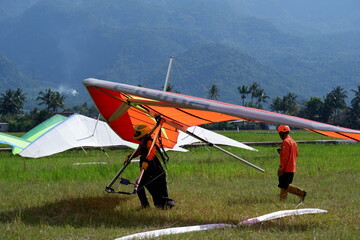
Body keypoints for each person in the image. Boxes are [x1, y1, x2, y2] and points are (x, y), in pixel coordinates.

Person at [126, 123, 175, 209]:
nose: (136, 134)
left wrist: (146, 161)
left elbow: (151, 152)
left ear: (143, 133)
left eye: (138, 133)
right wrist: (130, 157)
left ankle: (167, 203)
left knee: (158, 194)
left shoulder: (150, 142)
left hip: (155, 171)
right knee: (139, 185)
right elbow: (138, 151)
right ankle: (145, 206)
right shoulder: (143, 142)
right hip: (148, 171)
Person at [276, 125, 307, 202]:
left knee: (284, 186)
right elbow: (296, 154)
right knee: (284, 186)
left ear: (282, 133)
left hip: (286, 168)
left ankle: (301, 193)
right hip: (292, 167)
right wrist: (282, 152)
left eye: (280, 134)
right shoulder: (293, 141)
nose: (280, 136)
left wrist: (281, 167)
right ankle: (282, 202)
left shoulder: (286, 142)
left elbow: (285, 157)